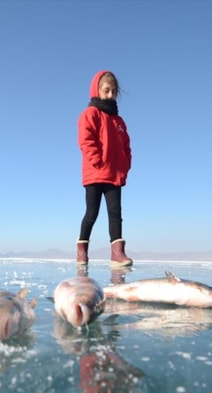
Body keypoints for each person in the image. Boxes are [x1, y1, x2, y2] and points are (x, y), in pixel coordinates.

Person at [76, 70, 133, 268]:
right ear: (97, 90)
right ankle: (82, 252)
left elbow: (126, 146)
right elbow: (86, 140)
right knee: (91, 213)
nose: (110, 95)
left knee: (115, 213)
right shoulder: (90, 114)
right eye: (106, 90)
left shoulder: (119, 121)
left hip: (114, 175)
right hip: (95, 173)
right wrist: (97, 161)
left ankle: (117, 254)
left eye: (113, 92)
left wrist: (125, 165)